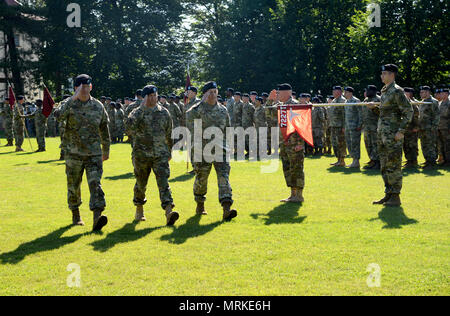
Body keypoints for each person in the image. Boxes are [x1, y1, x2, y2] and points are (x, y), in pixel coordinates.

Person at [53, 74, 111, 231]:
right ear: (75, 88)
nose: (85, 89)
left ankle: (97, 217)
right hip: (74, 153)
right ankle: (76, 214)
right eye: (81, 87)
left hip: (94, 154)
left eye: (87, 86)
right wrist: (73, 98)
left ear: (91, 87)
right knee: (73, 186)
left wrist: (106, 149)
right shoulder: (68, 104)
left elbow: (104, 128)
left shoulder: (98, 106)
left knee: (95, 184)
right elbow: (57, 116)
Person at [125, 85, 179, 226]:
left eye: (155, 95)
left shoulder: (164, 113)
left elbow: (169, 133)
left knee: (164, 183)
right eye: (149, 96)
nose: (153, 98)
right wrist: (142, 109)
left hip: (160, 154)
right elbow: (129, 129)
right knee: (141, 184)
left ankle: (169, 212)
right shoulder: (136, 112)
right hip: (141, 154)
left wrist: (169, 151)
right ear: (144, 97)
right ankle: (139, 208)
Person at [186, 81, 237, 221]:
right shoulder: (194, 111)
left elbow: (227, 129)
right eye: (210, 92)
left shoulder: (223, 110)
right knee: (201, 179)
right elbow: (191, 133)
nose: (213, 94)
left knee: (224, 178)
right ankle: (200, 204)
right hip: (202, 151)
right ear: (205, 94)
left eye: (215, 92)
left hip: (221, 150)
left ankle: (227, 208)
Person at [369, 64, 413, 207]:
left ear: (392, 75)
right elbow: (385, 114)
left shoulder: (397, 91)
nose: (382, 76)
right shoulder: (385, 91)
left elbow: (408, 111)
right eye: (382, 73)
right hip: (383, 134)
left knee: (393, 165)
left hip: (393, 135)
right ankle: (388, 194)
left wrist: (401, 131)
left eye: (385, 73)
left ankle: (396, 196)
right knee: (384, 165)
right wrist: (374, 108)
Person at [278, 84, 305, 203]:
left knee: (296, 168)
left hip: (295, 144)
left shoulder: (295, 105)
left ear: (287, 93)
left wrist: (300, 143)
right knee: (288, 168)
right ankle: (292, 194)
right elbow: (269, 116)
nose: (278, 95)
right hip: (285, 143)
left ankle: (299, 195)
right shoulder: (282, 106)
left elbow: (302, 125)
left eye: (280, 93)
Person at [418, 86, 440, 169]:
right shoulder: (422, 102)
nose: (420, 94)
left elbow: (437, 115)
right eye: (420, 92)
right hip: (422, 128)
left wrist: (434, 126)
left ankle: (432, 162)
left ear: (427, 92)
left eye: (422, 92)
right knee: (424, 145)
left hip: (430, 128)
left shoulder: (433, 101)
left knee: (430, 145)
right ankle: (427, 161)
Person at [362, 85, 381, 170]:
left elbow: (383, 113)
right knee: (368, 144)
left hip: (375, 127)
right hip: (367, 127)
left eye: (368, 90)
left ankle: (378, 162)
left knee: (375, 145)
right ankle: (372, 160)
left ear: (373, 91)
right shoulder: (366, 100)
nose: (366, 92)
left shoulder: (379, 99)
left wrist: (374, 107)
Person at [344, 87, 363, 168]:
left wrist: (359, 125)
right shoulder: (346, 101)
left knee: (355, 143)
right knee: (349, 143)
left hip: (355, 126)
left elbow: (360, 114)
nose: (344, 94)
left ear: (350, 93)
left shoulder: (356, 101)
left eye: (346, 92)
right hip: (348, 126)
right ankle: (353, 160)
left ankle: (356, 161)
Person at [329, 86, 347, 167]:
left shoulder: (343, 101)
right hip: (333, 125)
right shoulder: (334, 100)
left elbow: (344, 115)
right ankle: (338, 160)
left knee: (341, 143)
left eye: (335, 91)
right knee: (334, 143)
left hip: (340, 126)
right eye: (333, 91)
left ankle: (342, 160)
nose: (333, 92)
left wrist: (344, 126)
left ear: (339, 92)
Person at [402, 87, 420, 168]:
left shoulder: (412, 104)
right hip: (404, 129)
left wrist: (416, 126)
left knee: (412, 145)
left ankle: (414, 161)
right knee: (405, 145)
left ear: (409, 94)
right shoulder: (402, 104)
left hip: (411, 128)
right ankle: (409, 160)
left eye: (406, 93)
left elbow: (416, 116)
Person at [436, 88, 450, 166]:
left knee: (447, 145)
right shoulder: (440, 103)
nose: (440, 94)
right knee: (441, 145)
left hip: (446, 128)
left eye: (442, 93)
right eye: (440, 93)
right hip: (439, 127)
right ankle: (444, 160)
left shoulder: (449, 103)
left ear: (447, 94)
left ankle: (448, 161)